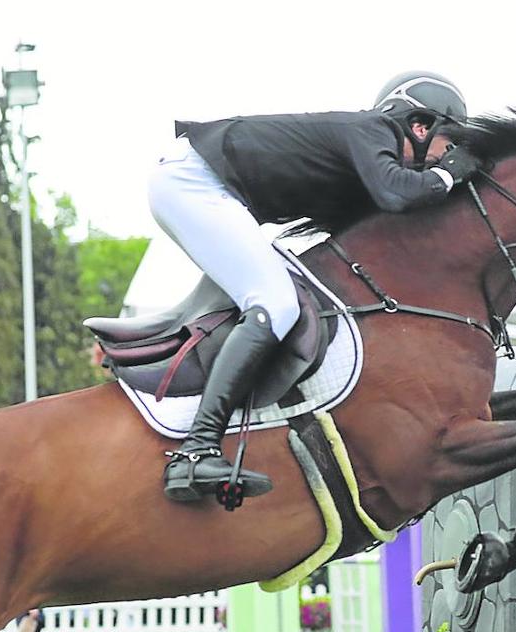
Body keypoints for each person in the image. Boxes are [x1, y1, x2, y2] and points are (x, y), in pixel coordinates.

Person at [151, 71, 480, 504]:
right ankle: (196, 449)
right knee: (275, 304)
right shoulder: (372, 130)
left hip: (204, 187)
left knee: (281, 299)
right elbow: (399, 194)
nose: (443, 159)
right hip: (193, 184)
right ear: (420, 127)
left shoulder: (367, 156)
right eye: (447, 147)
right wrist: (449, 176)